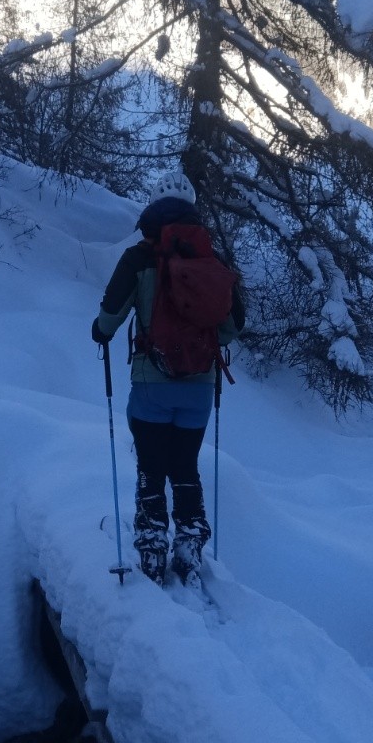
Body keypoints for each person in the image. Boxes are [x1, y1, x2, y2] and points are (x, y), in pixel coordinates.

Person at [91, 174, 245, 584]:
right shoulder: (212, 261)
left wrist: (100, 331)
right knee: (185, 467)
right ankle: (190, 541)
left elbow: (110, 317)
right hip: (199, 388)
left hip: (150, 385)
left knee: (150, 466)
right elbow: (231, 329)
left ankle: (152, 544)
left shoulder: (139, 258)